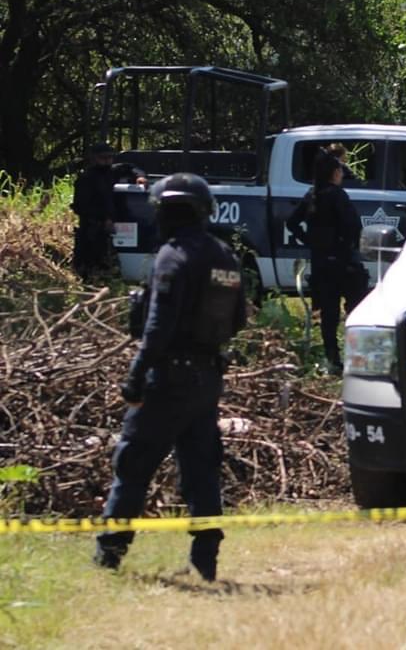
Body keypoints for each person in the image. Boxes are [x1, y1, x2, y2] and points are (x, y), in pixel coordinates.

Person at [94, 173, 247, 581]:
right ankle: (206, 557)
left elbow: (157, 327)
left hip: (169, 379)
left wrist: (135, 377)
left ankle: (109, 554)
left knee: (132, 462)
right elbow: (239, 319)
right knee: (201, 469)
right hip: (207, 379)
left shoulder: (172, 256)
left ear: (164, 212)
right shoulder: (225, 257)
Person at [286, 147, 369, 374]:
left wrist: (309, 241)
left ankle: (332, 358)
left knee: (329, 315)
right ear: (334, 173)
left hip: (321, 262)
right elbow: (353, 226)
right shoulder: (337, 195)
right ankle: (359, 357)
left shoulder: (312, 195)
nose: (342, 175)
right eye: (340, 171)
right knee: (358, 310)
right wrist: (348, 247)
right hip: (343, 263)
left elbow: (291, 222)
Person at [70, 143, 146, 280]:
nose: (107, 160)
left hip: (111, 224)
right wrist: (104, 218)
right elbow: (81, 206)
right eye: (103, 158)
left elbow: (130, 168)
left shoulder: (113, 172)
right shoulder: (86, 179)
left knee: (111, 264)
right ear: (94, 159)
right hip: (92, 226)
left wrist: (139, 177)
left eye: (110, 157)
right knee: (90, 263)